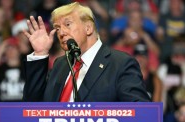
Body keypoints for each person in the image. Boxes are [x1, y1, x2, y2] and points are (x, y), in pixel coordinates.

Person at [23, 2, 151, 102]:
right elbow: (32, 107)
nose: (61, 33)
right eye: (57, 28)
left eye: (67, 24)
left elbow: (139, 113)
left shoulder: (120, 64)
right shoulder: (60, 65)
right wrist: (40, 53)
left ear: (88, 28)